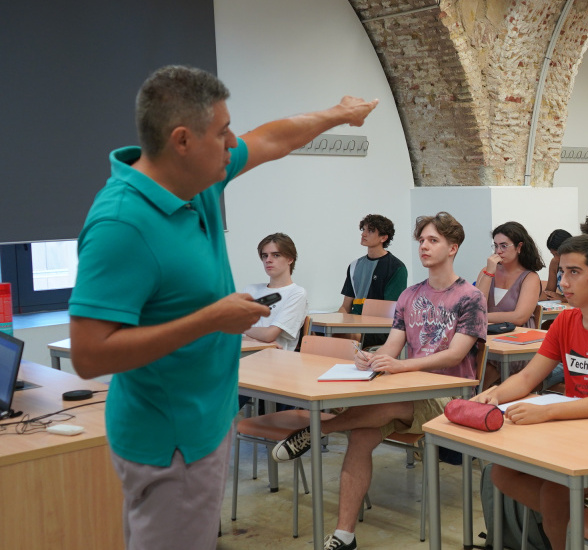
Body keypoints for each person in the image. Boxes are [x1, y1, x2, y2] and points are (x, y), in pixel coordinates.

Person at [68, 65, 377, 549]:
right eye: (223, 132)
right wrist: (212, 318)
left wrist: (338, 114)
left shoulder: (198, 179)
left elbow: (273, 138)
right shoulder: (121, 225)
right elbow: (90, 354)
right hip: (171, 439)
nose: (234, 142)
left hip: (205, 423)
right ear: (182, 140)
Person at [273, 212, 487, 550]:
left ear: (453, 248)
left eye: (433, 241)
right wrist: (372, 357)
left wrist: (402, 367)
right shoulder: (410, 295)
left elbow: (455, 356)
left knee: (390, 402)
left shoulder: (469, 297)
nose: (424, 247)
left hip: (449, 397)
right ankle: (344, 536)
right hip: (406, 391)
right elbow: (393, 344)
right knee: (360, 436)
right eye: (421, 241)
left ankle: (318, 430)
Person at [475, 235, 588, 550]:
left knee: (555, 490)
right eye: (561, 272)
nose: (563, 282)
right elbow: (530, 375)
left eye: (574, 272)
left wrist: (545, 411)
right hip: (576, 427)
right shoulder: (566, 320)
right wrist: (492, 396)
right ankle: (570, 533)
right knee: (502, 473)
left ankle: (564, 536)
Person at [242, 233, 308, 351]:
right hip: (243, 355)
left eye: (276, 255)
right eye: (264, 256)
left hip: (275, 360)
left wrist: (239, 329)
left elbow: (269, 335)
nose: (268, 260)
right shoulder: (250, 290)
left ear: (290, 259)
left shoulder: (296, 293)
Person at [478, 221, 544, 328]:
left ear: (519, 247)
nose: (498, 251)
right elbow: (476, 308)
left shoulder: (530, 277)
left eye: (504, 246)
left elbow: (519, 317)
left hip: (518, 338)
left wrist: (481, 317)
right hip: (488, 335)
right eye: (496, 246)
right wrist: (489, 274)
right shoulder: (486, 271)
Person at [339, 214, 407, 315]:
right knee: (314, 329)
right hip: (353, 325)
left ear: (383, 238)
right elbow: (345, 307)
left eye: (370, 231)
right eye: (363, 230)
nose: (364, 234)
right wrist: (335, 322)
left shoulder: (396, 268)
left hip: (377, 327)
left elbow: (391, 311)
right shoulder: (354, 266)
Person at [541, 229, 572, 301]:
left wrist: (563, 298)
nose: (556, 258)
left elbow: (587, 296)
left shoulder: (581, 263)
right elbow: (550, 292)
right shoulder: (555, 263)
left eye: (558, 254)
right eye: (553, 254)